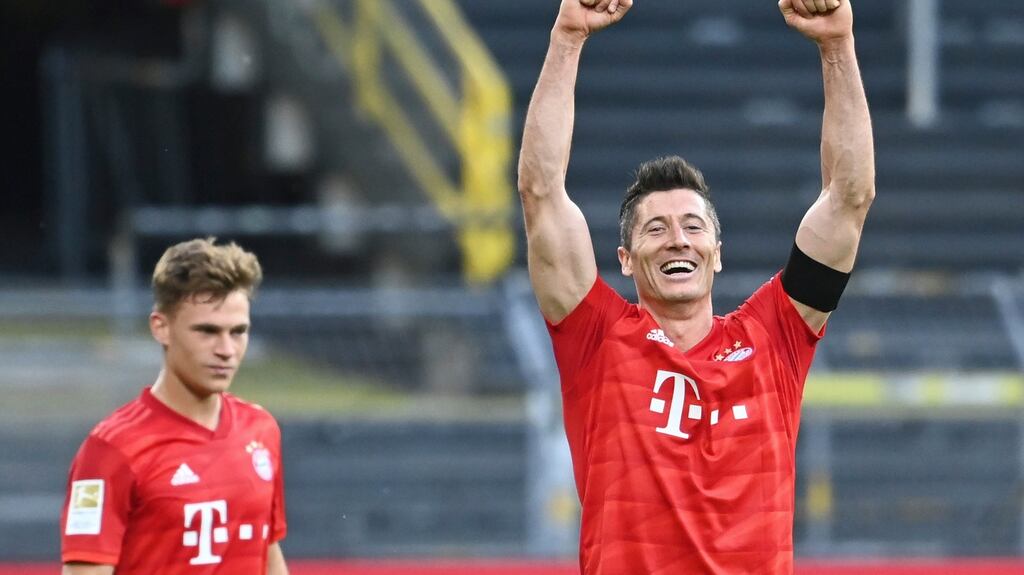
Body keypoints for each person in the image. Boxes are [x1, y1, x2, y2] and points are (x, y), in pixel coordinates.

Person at [518, 0, 874, 572]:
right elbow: (541, 195)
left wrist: (838, 45)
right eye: (655, 229)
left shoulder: (774, 336)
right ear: (627, 260)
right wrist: (568, 36)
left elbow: (848, 200)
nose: (678, 240)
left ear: (717, 253)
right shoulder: (597, 338)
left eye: (693, 226)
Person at [60, 238, 289, 575]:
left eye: (238, 332)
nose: (226, 349)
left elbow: (266, 549)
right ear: (161, 327)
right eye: (207, 331)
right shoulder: (110, 451)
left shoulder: (261, 430)